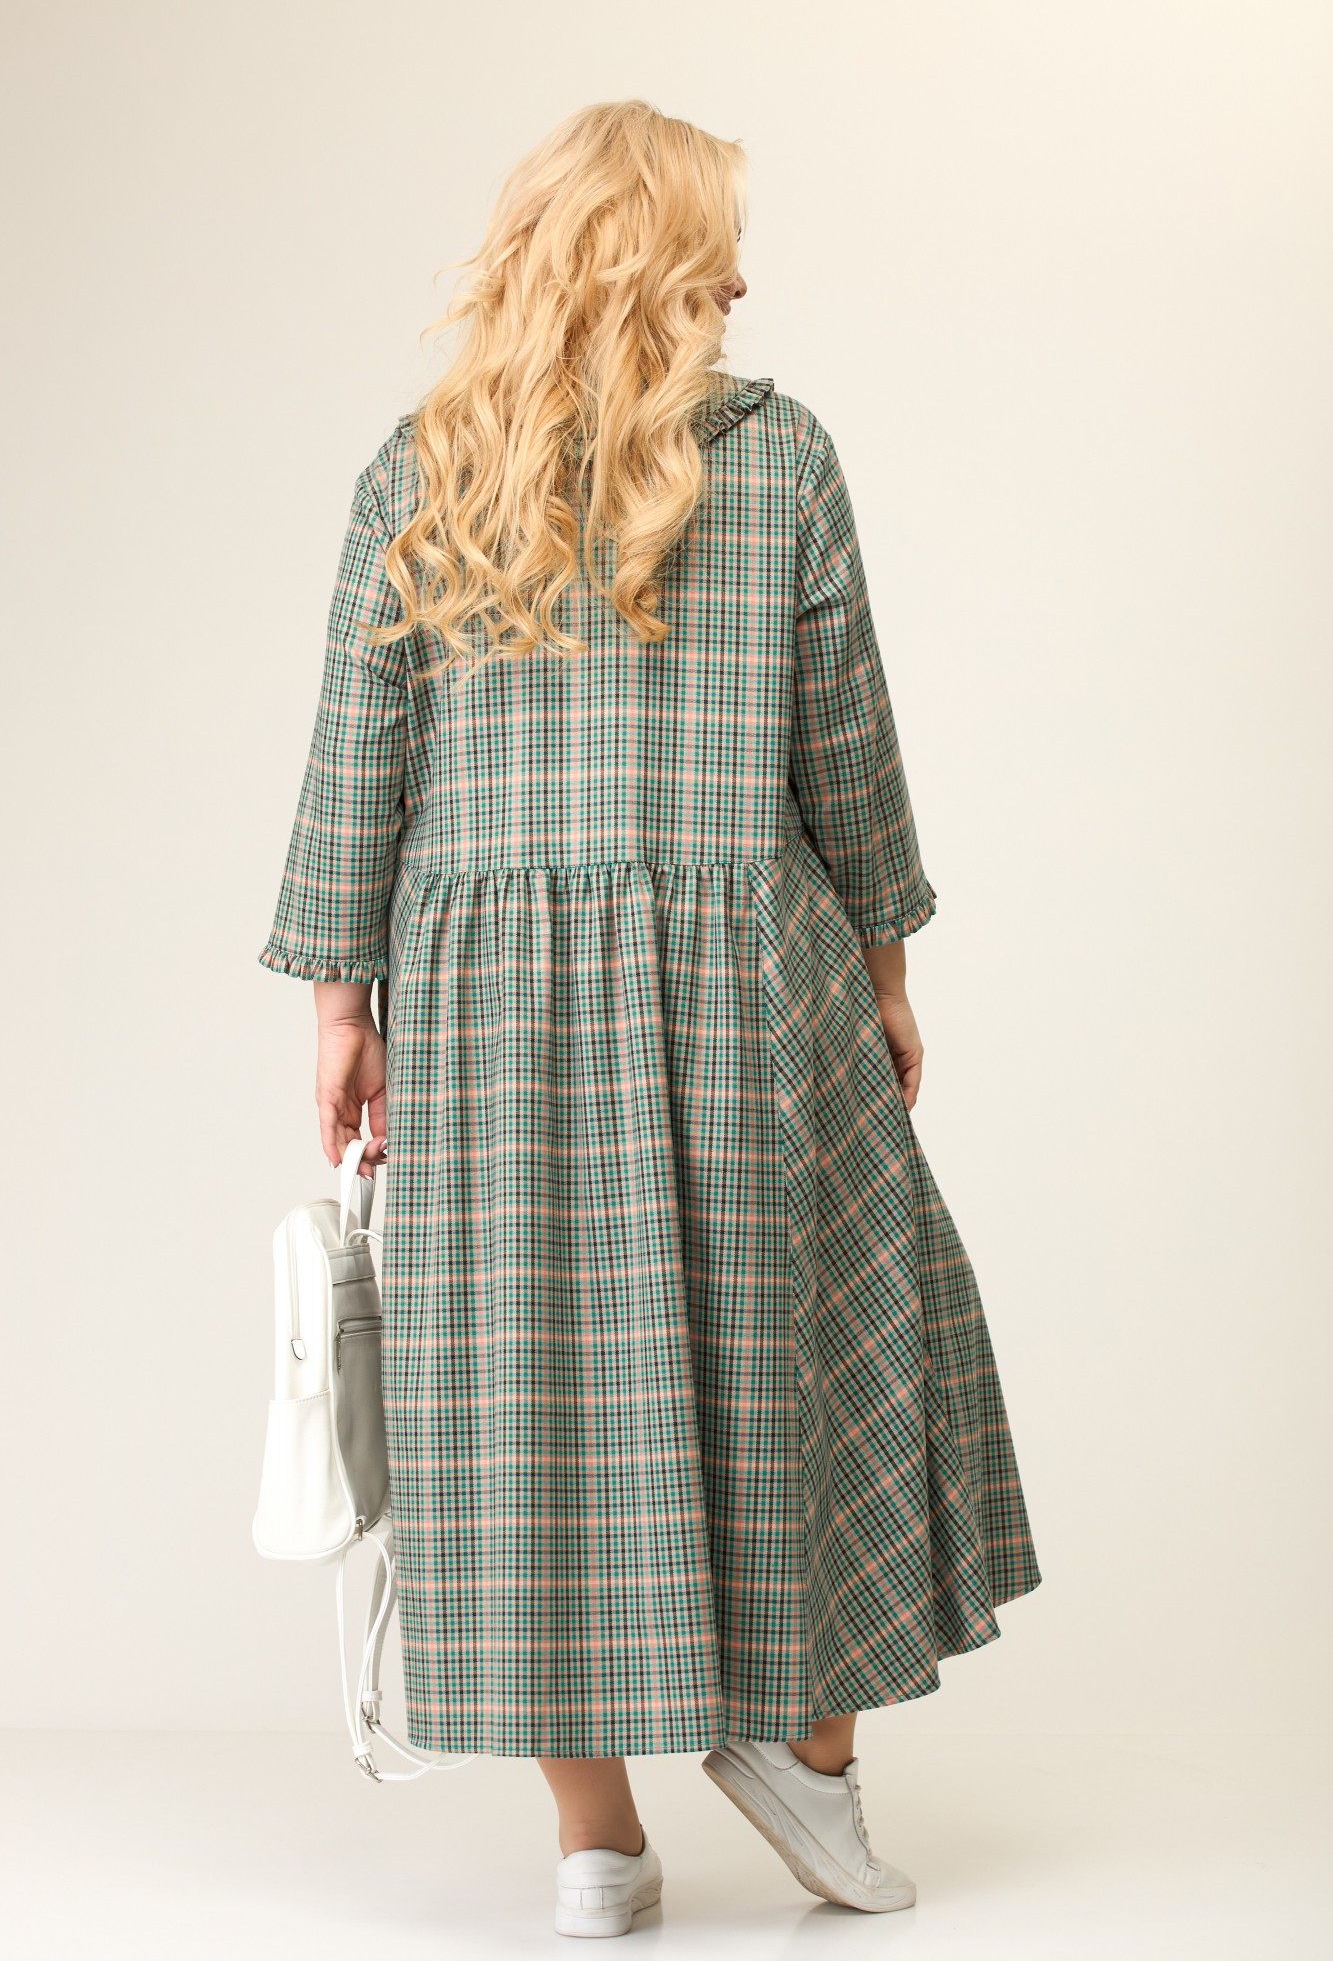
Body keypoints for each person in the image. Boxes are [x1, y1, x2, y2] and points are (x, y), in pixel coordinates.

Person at [257, 97, 1041, 1940]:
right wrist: (886, 972)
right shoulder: (778, 459)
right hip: (747, 972)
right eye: (719, 243)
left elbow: (358, 755)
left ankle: (595, 1852)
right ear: (656, 255)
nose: (743, 281)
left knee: (530, 1386)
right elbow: (845, 746)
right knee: (824, 1340)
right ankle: (807, 1760)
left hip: (488, 1005)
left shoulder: (422, 466)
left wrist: (344, 1003)